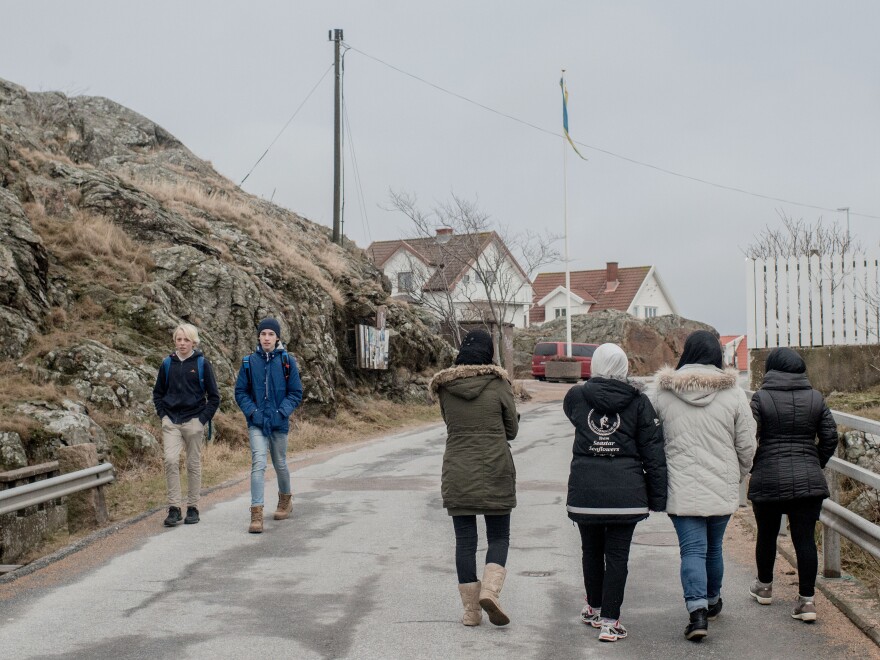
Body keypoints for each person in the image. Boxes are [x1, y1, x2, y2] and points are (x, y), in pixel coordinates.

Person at [652, 330, 756, 641]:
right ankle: (712, 600)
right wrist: (739, 474)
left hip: (679, 484)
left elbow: (648, 437)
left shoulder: (662, 392)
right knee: (714, 547)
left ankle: (697, 614)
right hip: (721, 483)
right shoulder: (734, 393)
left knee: (692, 549)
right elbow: (747, 445)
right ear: (717, 357)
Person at [564, 343, 667, 643]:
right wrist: (658, 497)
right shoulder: (639, 403)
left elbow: (573, 416)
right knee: (618, 556)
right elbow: (653, 452)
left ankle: (594, 608)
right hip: (626, 494)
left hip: (586, 492)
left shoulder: (577, 397)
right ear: (624, 367)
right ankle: (610, 621)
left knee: (591, 551)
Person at [429, 329, 519, 628]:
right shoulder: (499, 383)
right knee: (499, 536)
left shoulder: (444, 387)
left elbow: (449, 423)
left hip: (457, 470)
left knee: (465, 542)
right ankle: (490, 592)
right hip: (494, 468)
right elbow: (512, 431)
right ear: (488, 353)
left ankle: (471, 611)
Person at [748, 347, 837, 622]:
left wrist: (756, 464)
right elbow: (830, 437)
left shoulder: (760, 398)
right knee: (804, 538)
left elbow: (748, 437)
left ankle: (764, 587)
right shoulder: (816, 398)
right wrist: (814, 462)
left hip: (768, 477)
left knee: (766, 533)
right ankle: (807, 602)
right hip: (808, 479)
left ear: (771, 369)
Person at [234, 317, 303, 534]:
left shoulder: (287, 362)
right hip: (257, 422)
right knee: (259, 463)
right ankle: (256, 514)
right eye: (263, 334)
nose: (266, 338)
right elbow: (241, 393)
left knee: (280, 463)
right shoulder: (248, 362)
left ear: (277, 337)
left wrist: (281, 412)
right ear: (258, 336)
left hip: (279, 422)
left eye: (271, 334)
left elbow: (295, 393)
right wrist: (253, 412)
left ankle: (285, 500)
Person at [152, 323, 221, 527]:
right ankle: (174, 508)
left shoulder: (202, 364)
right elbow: (158, 393)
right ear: (174, 341)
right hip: (171, 420)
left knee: (193, 464)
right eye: (179, 339)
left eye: (186, 340)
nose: (182, 343)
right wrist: (163, 415)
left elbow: (214, 397)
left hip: (194, 420)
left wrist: (201, 420)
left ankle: (193, 507)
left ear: (194, 342)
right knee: (171, 461)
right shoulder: (167, 364)